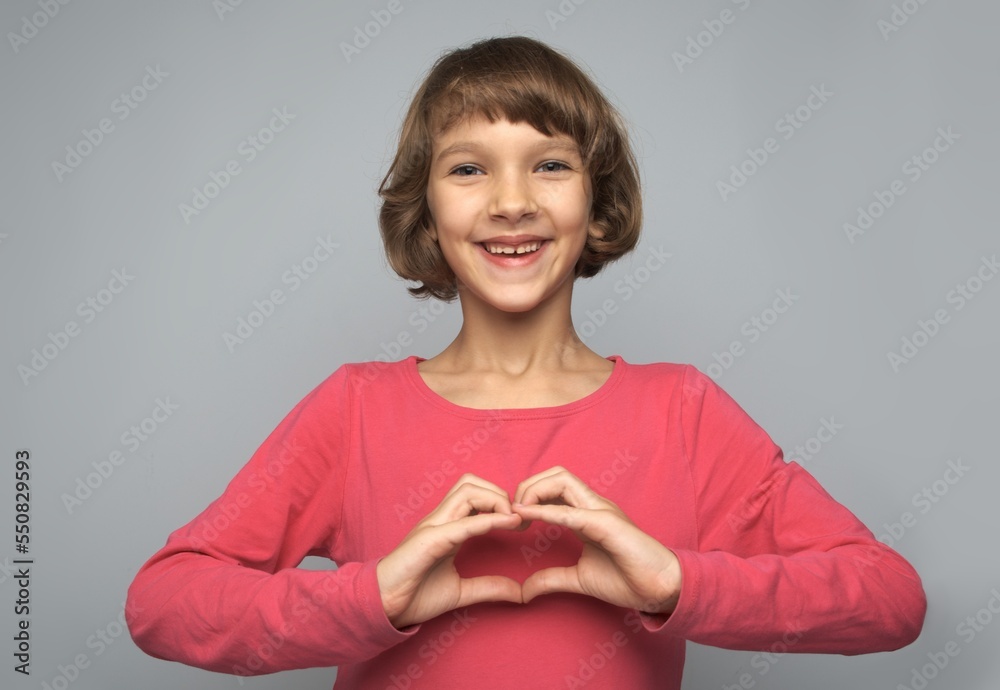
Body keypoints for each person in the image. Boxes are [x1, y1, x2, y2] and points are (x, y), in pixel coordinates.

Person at [126, 36, 926, 689]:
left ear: (596, 204)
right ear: (428, 210)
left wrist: (678, 584)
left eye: (550, 164)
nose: (512, 201)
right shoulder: (355, 410)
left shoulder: (680, 411)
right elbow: (162, 603)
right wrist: (373, 598)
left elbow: (889, 598)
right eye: (469, 168)